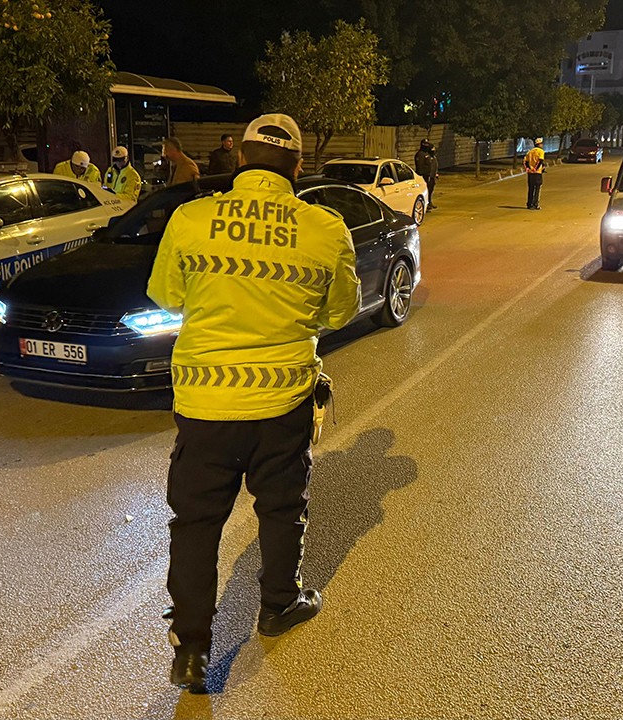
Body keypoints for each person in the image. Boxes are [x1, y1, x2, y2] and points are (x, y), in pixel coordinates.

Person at [146, 113, 361, 694]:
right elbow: (341, 311)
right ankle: (278, 605)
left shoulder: (192, 219)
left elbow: (166, 294)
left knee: (195, 524)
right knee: (281, 507)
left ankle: (191, 651)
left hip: (204, 403)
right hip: (282, 400)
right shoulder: (324, 228)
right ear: (296, 168)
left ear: (239, 160)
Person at [523, 137, 547, 210]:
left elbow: (525, 162)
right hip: (537, 173)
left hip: (530, 173)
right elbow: (540, 161)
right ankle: (535, 204)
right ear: (539, 144)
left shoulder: (530, 152)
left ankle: (529, 204)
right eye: (541, 144)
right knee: (537, 189)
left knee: (531, 189)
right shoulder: (541, 151)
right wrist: (535, 169)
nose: (542, 145)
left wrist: (528, 169)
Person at [414, 139, 439, 210]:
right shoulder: (420, 154)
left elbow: (432, 166)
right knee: (424, 191)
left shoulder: (428, 155)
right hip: (424, 176)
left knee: (430, 190)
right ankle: (425, 205)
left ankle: (429, 203)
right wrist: (424, 175)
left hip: (430, 176)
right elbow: (420, 167)